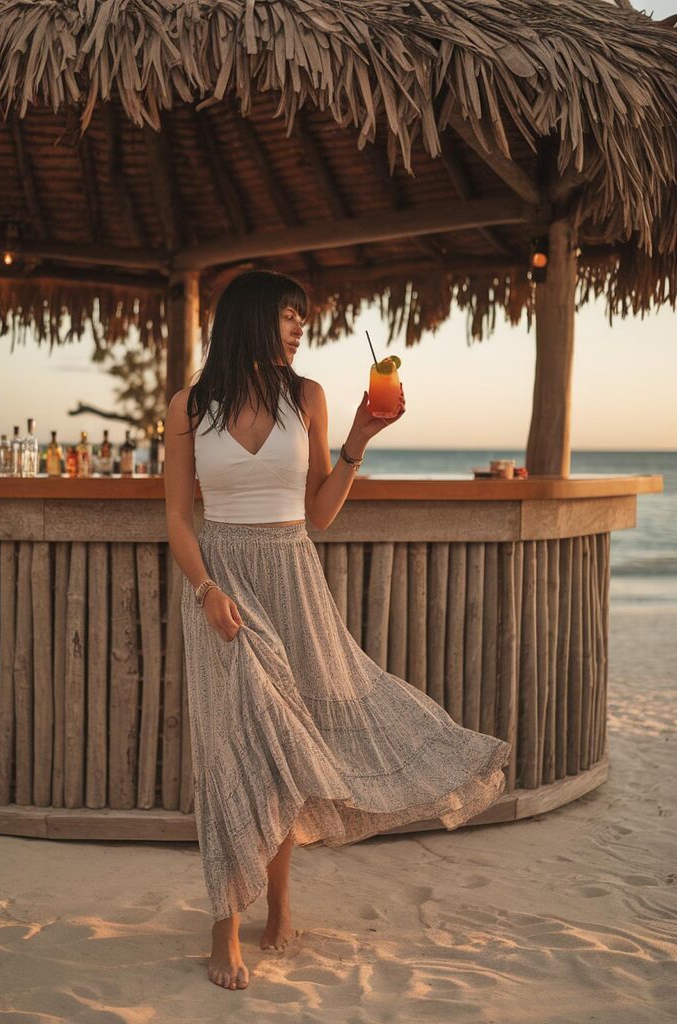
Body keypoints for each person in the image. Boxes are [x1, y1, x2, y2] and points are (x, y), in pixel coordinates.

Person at [164, 269, 511, 991]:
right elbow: (176, 519)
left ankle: (281, 903)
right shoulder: (189, 407)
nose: (299, 329)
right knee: (233, 751)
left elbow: (319, 512)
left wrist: (360, 436)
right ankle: (223, 924)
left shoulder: (308, 397)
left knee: (288, 746)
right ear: (252, 319)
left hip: (293, 578)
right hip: (223, 584)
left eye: (302, 318)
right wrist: (206, 591)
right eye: (289, 316)